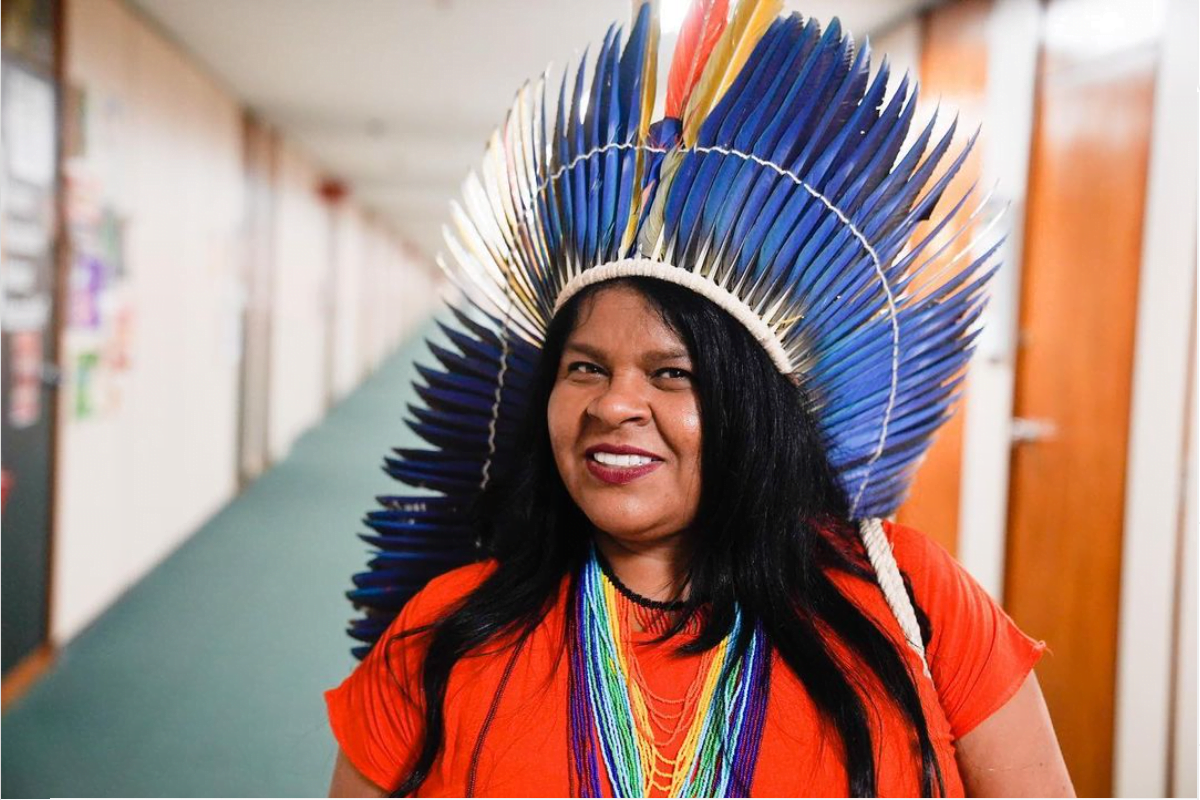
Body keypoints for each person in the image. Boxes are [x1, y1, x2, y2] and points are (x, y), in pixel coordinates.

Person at [326, 1, 1074, 796]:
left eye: (670, 374)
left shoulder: (911, 597)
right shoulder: (445, 631)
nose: (613, 405)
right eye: (584, 368)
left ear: (754, 410)